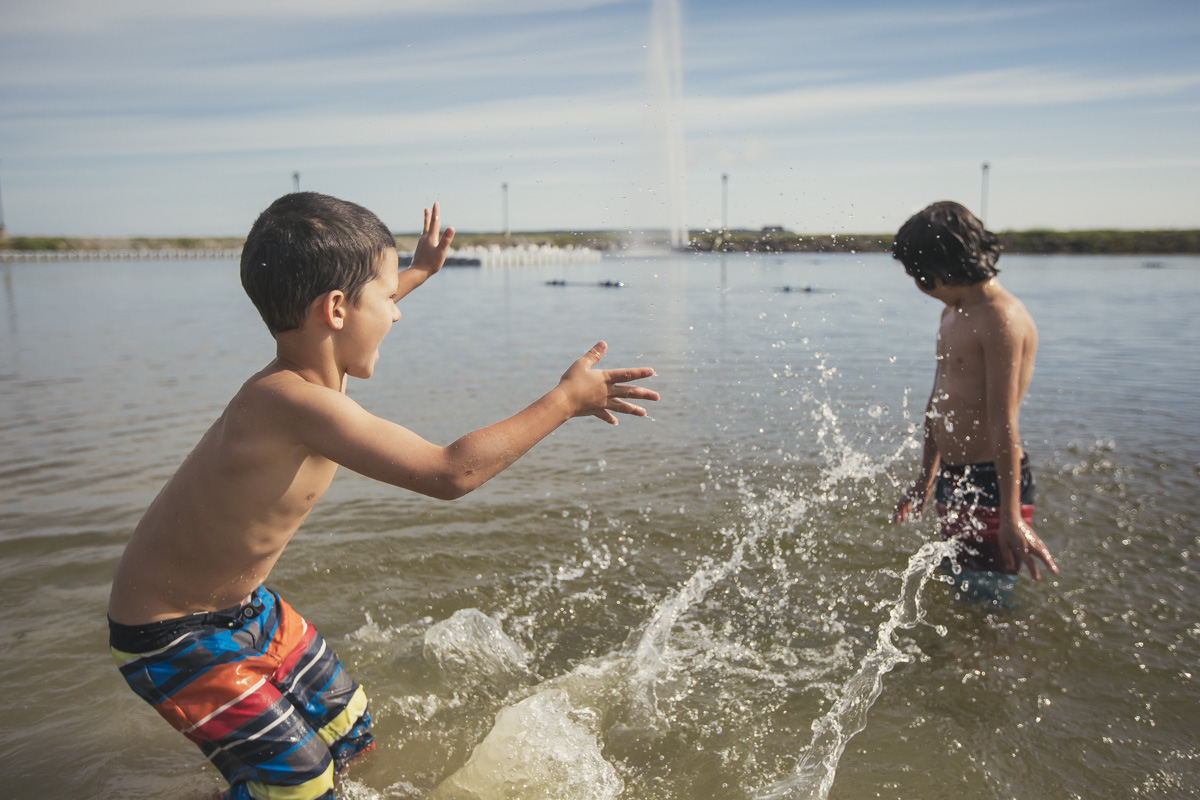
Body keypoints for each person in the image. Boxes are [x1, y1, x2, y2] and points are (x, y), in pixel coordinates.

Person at [107, 192, 659, 800]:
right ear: (337, 309)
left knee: (349, 732)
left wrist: (416, 271)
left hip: (244, 610)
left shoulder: (313, 368)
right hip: (171, 636)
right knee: (301, 780)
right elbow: (449, 473)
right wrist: (564, 401)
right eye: (387, 298)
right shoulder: (293, 403)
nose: (396, 314)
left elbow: (362, 306)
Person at [889, 201, 1058, 586]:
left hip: (992, 481)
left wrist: (1010, 516)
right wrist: (925, 477)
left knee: (989, 593)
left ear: (937, 271)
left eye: (916, 274)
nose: (917, 285)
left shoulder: (1002, 318)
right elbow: (938, 401)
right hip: (953, 474)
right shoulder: (952, 312)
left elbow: (1003, 419)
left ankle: (1001, 646)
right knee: (959, 581)